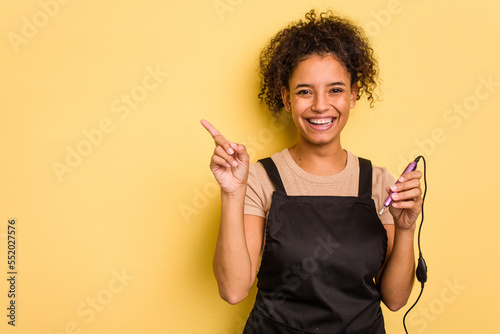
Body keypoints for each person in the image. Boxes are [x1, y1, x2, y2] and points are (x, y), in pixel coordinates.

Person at [201, 9, 422, 334]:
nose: (320, 105)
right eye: (305, 91)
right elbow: (233, 291)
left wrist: (405, 230)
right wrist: (232, 192)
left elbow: (395, 299)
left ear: (354, 95)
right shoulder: (259, 180)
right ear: (286, 99)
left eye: (335, 90)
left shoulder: (379, 183)